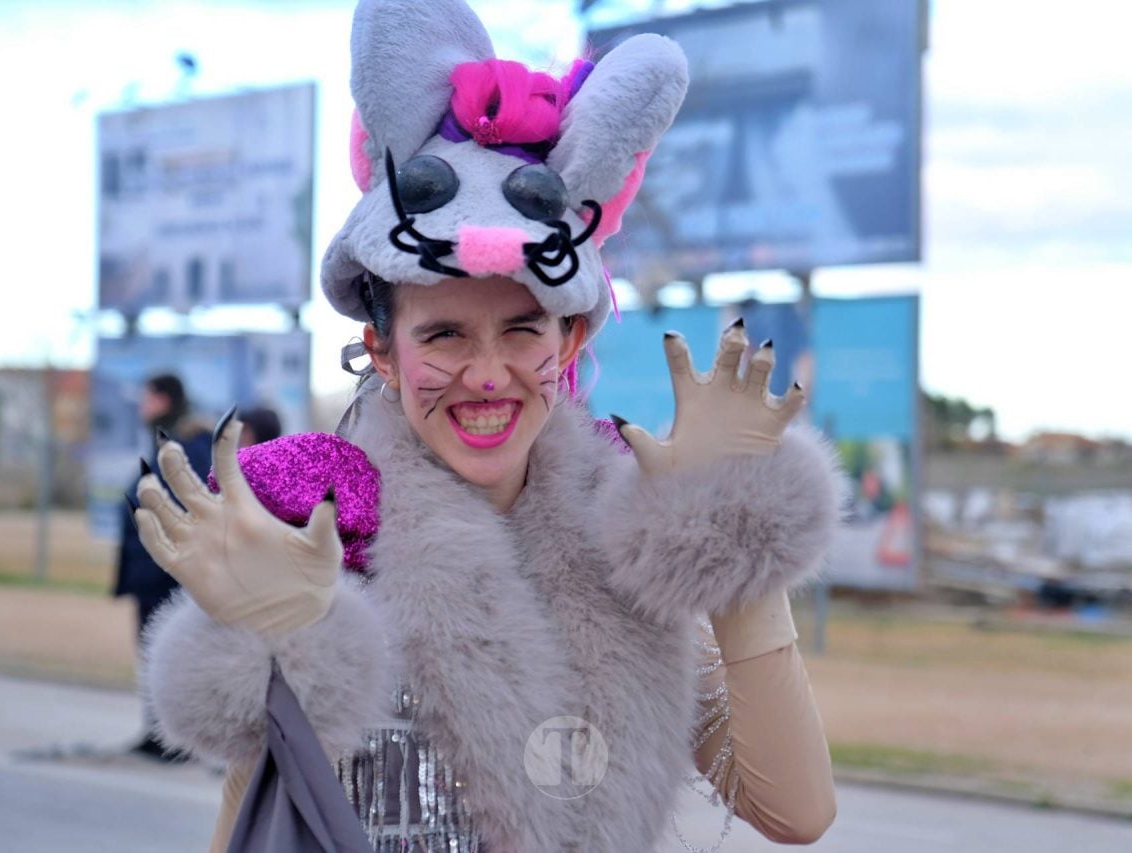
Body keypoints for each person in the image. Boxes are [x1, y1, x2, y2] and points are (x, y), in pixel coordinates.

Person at [132, 1, 841, 849]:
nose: (485, 374)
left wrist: (730, 533)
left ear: (571, 336)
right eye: (442, 334)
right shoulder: (324, 534)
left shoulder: (630, 548)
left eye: (520, 330)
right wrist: (283, 652)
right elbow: (253, 826)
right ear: (381, 349)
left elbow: (797, 811)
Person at [113, 373, 212, 761]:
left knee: (172, 656)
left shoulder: (184, 444)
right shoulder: (167, 439)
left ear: (165, 399)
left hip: (168, 572)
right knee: (155, 654)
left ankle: (175, 741)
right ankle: (158, 734)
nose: (141, 405)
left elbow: (188, 504)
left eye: (147, 397)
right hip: (152, 570)